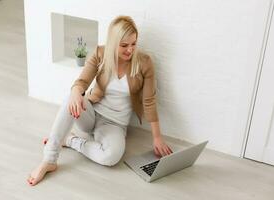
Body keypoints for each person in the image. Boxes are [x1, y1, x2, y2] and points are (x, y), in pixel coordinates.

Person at [27, 15, 173, 186]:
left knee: (111, 157)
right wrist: (76, 92)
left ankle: (72, 141)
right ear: (112, 43)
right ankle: (49, 159)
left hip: (114, 124)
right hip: (91, 113)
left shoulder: (144, 63)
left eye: (134, 44)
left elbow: (149, 101)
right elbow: (81, 83)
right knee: (70, 97)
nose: (130, 50)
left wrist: (157, 137)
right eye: (124, 45)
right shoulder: (100, 54)